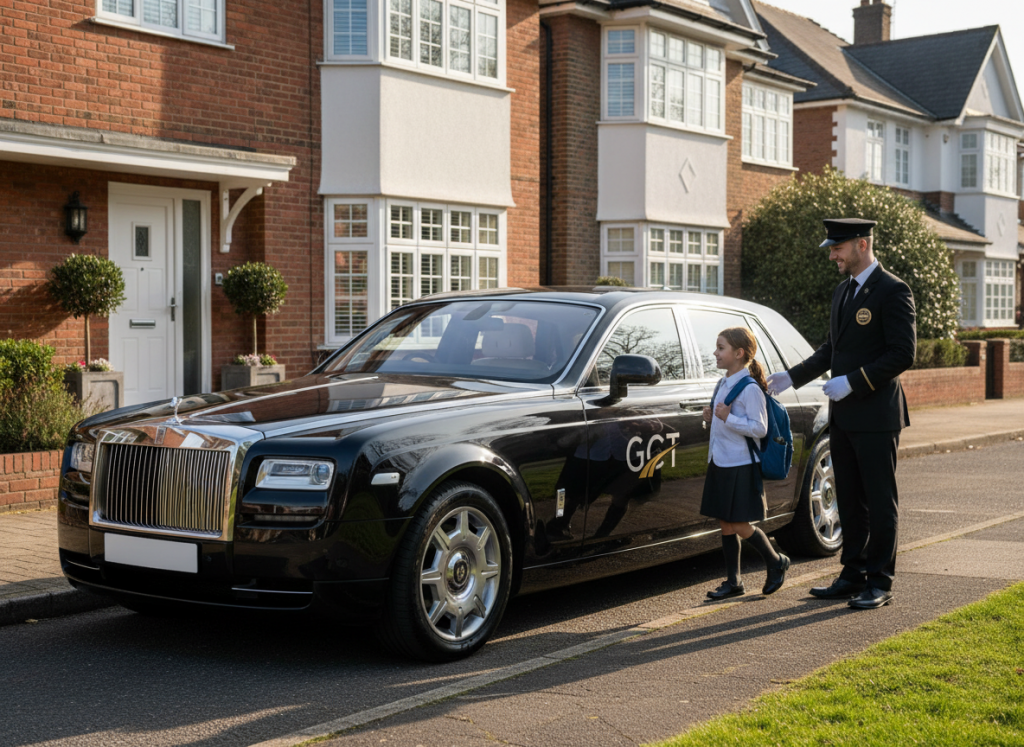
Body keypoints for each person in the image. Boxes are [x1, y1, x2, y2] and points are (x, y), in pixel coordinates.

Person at [767, 218, 916, 610]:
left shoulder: (893, 290)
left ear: (862, 245)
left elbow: (903, 354)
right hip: (845, 417)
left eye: (838, 248)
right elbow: (830, 350)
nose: (832, 255)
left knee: (880, 501)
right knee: (849, 500)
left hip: (876, 416)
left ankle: (879, 581)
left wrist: (854, 381)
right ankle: (852, 574)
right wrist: (792, 377)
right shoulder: (842, 291)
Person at [701, 327, 790, 600]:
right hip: (721, 461)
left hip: (740, 464)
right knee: (725, 524)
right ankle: (734, 582)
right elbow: (721, 422)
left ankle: (776, 561)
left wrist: (728, 418)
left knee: (739, 524)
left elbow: (760, 429)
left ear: (738, 354)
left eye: (721, 348)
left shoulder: (750, 388)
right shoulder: (722, 383)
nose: (715, 353)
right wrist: (710, 418)